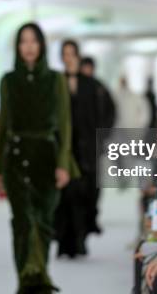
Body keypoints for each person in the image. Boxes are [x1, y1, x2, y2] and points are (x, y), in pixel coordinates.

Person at [0, 22, 79, 294]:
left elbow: (65, 125)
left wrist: (64, 164)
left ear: (42, 45)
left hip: (47, 156)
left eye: (33, 41)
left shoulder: (55, 80)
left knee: (42, 220)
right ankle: (26, 279)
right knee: (22, 220)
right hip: (15, 159)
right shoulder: (8, 81)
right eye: (23, 41)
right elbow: (3, 126)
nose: (28, 47)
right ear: (18, 47)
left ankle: (39, 275)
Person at [54, 39, 105, 257]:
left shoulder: (91, 84)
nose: (68, 57)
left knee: (85, 195)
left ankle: (81, 238)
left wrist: (98, 140)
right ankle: (65, 242)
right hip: (64, 148)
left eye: (71, 53)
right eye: (64, 53)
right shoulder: (56, 82)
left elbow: (103, 115)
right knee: (64, 197)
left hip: (87, 149)